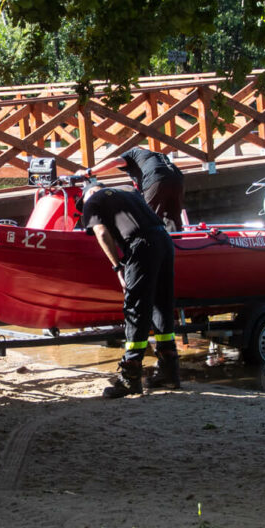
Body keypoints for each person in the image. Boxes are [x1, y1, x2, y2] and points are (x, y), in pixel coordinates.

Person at [76, 180, 179, 398]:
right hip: (164, 240)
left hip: (141, 245)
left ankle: (130, 377)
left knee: (136, 308)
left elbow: (102, 233)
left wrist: (117, 267)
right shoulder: (130, 192)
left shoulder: (92, 200)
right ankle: (169, 371)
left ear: (87, 194)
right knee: (162, 305)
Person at [85, 147, 185, 230]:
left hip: (156, 177)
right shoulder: (154, 157)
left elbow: (114, 161)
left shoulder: (132, 154)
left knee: (148, 217)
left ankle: (150, 246)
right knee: (173, 215)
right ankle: (176, 244)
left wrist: (89, 172)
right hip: (177, 178)